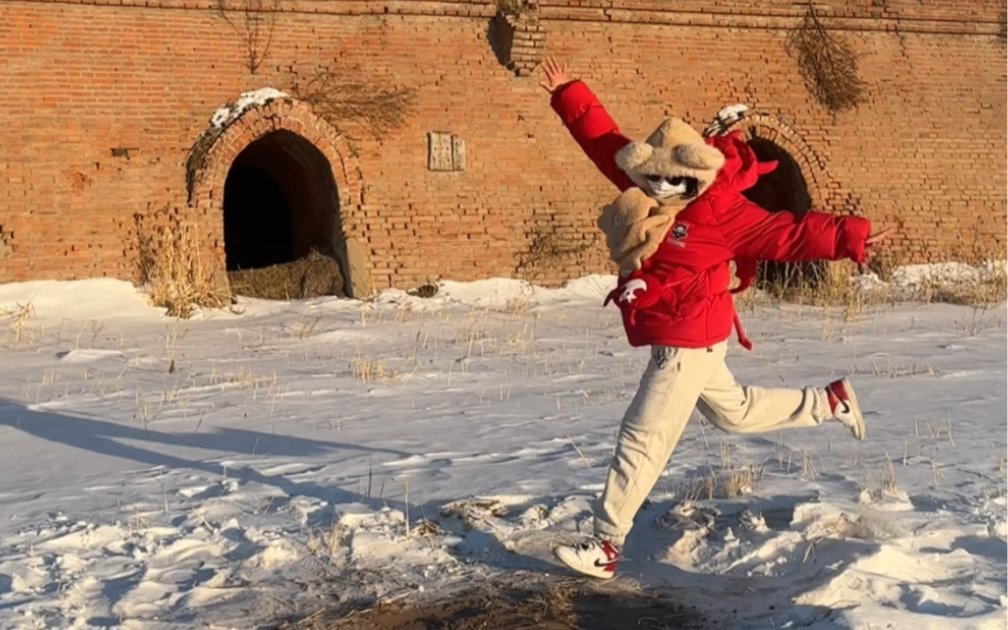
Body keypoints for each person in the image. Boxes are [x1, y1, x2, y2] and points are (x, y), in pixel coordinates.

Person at [538, 58, 894, 580]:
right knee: (736, 413)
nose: (660, 188)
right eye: (653, 176)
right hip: (696, 336)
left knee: (643, 436)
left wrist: (849, 236)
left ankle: (606, 543)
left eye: (671, 180)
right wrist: (570, 93)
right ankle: (829, 402)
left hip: (688, 341)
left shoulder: (721, 210)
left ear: (695, 175)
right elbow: (603, 141)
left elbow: (790, 234)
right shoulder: (645, 181)